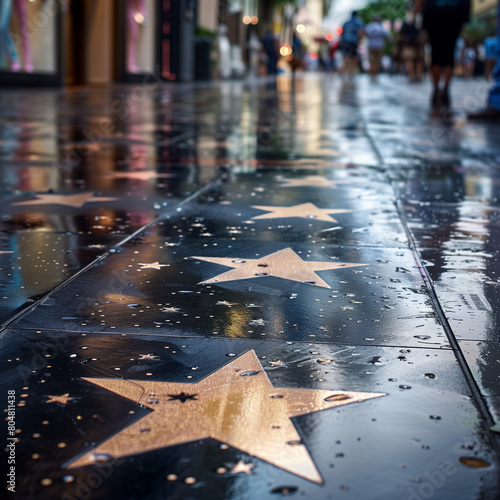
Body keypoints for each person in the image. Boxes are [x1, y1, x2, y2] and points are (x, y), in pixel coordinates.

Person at [416, 0, 470, 108]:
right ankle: (445, 89)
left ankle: (436, 90)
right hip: (453, 15)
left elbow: (419, 4)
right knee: (448, 55)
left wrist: (418, 14)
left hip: (434, 16)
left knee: (436, 56)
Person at [400, 10, 425, 81]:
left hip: (409, 43)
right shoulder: (420, 19)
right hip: (419, 42)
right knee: (419, 60)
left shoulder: (407, 20)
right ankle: (418, 75)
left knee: (410, 60)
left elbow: (401, 33)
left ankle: (412, 75)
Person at [340, 11, 364, 77]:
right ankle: (351, 72)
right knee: (353, 57)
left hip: (344, 41)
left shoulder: (346, 22)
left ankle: (345, 71)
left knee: (346, 56)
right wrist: (360, 39)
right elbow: (361, 32)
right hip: (353, 41)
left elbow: (341, 33)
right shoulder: (358, 22)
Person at [364, 15, 388, 80]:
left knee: (372, 60)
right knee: (378, 61)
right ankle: (375, 74)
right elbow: (386, 36)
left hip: (371, 45)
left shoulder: (370, 26)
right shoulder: (381, 27)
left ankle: (371, 73)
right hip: (380, 46)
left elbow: (365, 33)